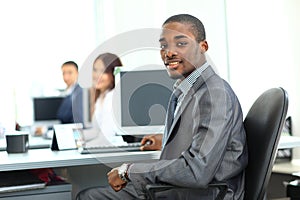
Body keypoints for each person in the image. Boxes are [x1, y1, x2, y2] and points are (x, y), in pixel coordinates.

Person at [76, 14, 248, 200]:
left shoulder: (214, 94)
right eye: (163, 46)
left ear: (203, 47)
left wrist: (129, 171)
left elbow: (197, 171)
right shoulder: (190, 89)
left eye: (181, 43)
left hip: (204, 195)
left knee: (89, 196)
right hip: (185, 191)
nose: (169, 52)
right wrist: (167, 140)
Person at [82, 53, 123, 146]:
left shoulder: (112, 97)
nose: (97, 75)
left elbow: (105, 139)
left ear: (113, 74)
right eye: (95, 70)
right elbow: (96, 131)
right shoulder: (101, 96)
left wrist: (82, 147)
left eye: (103, 71)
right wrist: (74, 136)